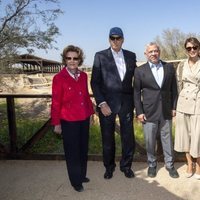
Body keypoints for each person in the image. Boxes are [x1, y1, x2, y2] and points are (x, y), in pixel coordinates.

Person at [91, 27, 137, 179]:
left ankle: (126, 166)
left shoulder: (131, 56)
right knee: (107, 138)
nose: (115, 41)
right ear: (109, 39)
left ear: (123, 39)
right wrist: (101, 103)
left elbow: (136, 79)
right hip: (107, 105)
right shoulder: (100, 56)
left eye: (118, 38)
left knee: (128, 137)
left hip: (126, 103)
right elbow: (95, 82)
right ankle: (109, 167)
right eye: (113, 38)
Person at [51, 45, 94, 192]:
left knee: (83, 149)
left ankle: (81, 175)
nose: (72, 61)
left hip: (83, 118)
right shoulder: (58, 78)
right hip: (68, 121)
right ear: (64, 60)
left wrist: (91, 114)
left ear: (79, 60)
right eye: (69, 58)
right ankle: (75, 181)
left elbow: (86, 96)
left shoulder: (83, 76)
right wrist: (56, 123)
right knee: (72, 152)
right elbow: (56, 102)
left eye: (75, 58)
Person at [134, 42, 179, 178]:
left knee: (167, 139)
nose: (153, 53)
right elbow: (136, 93)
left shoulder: (169, 67)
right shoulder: (140, 71)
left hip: (166, 111)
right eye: (151, 51)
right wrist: (140, 112)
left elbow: (174, 90)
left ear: (159, 52)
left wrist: (173, 107)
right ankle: (152, 164)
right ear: (146, 54)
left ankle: (169, 165)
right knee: (150, 140)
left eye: (156, 51)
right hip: (149, 112)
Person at [174, 37, 200, 180]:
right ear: (186, 50)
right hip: (183, 103)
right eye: (189, 48)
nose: (192, 51)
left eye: (194, 47)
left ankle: (199, 165)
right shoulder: (181, 66)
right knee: (185, 136)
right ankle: (189, 164)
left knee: (198, 136)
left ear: (199, 48)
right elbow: (179, 85)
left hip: (198, 104)